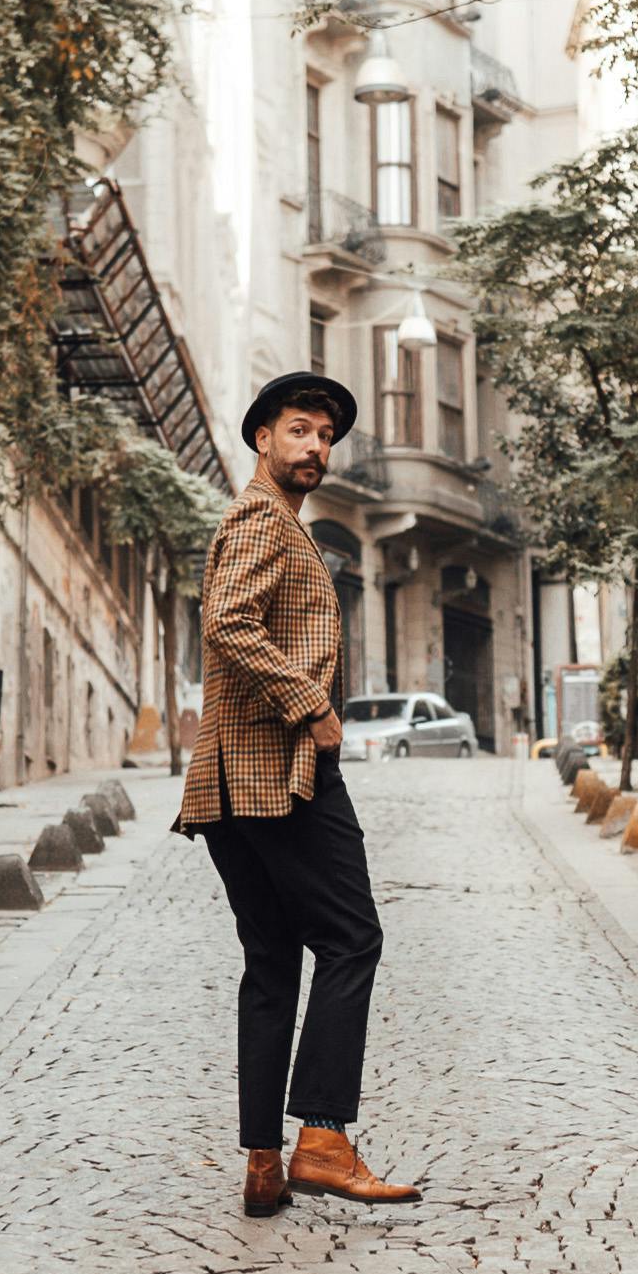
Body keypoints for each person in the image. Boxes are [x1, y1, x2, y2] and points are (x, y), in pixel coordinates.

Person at [173, 372, 423, 1217]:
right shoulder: (259, 518)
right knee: (353, 938)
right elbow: (228, 624)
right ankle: (322, 1137)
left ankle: (260, 1163)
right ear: (262, 439)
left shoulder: (276, 524)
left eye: (325, 436)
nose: (315, 447)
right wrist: (309, 704)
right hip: (278, 776)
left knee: (272, 963)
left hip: (229, 788)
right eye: (300, 431)